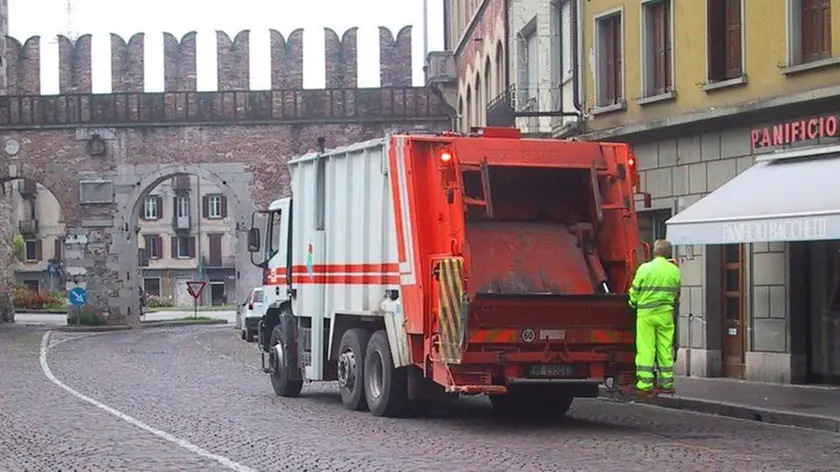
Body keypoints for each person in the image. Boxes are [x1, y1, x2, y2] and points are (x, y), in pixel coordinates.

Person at [628, 239, 682, 394]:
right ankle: (667, 382)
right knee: (665, 348)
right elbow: (677, 293)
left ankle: (645, 384)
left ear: (654, 251)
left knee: (646, 348)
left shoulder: (645, 269)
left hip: (646, 315)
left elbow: (634, 291)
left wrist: (633, 303)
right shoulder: (675, 271)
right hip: (665, 315)